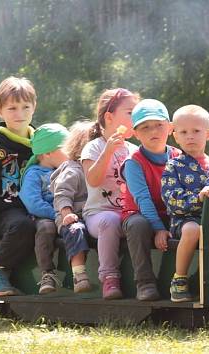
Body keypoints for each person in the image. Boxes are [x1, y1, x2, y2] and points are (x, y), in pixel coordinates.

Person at [0, 76, 37, 296]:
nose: (19, 114)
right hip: (9, 213)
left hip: (42, 206)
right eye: (12, 108)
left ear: (34, 108)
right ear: (0, 110)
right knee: (22, 226)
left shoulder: (43, 147)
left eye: (25, 107)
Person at [162, 105, 209, 302]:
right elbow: (171, 199)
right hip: (185, 220)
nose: (190, 136)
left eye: (196, 131)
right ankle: (179, 280)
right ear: (175, 137)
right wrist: (198, 197)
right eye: (183, 132)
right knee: (193, 230)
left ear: (208, 134)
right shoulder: (174, 166)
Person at [119, 99, 180, 301]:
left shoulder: (179, 156)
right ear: (135, 134)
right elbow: (143, 199)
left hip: (171, 212)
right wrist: (158, 228)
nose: (153, 131)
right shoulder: (133, 162)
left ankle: (185, 280)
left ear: (170, 128)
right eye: (145, 127)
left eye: (159, 125)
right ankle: (145, 283)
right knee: (138, 225)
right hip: (138, 213)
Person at [81, 88, 139, 300]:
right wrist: (108, 152)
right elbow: (93, 180)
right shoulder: (93, 147)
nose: (136, 118)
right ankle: (109, 277)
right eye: (130, 112)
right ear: (109, 117)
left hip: (128, 213)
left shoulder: (134, 150)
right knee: (110, 221)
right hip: (99, 215)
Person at [20, 123, 69, 294]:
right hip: (46, 216)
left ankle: (79, 274)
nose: (70, 151)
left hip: (68, 213)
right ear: (48, 153)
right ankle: (47, 274)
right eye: (66, 147)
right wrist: (57, 214)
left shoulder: (66, 170)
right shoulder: (34, 173)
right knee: (46, 229)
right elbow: (32, 202)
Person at [50, 120, 94, 294]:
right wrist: (67, 213)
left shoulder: (92, 168)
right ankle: (79, 274)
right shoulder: (73, 170)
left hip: (90, 214)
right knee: (76, 230)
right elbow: (61, 193)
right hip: (70, 215)